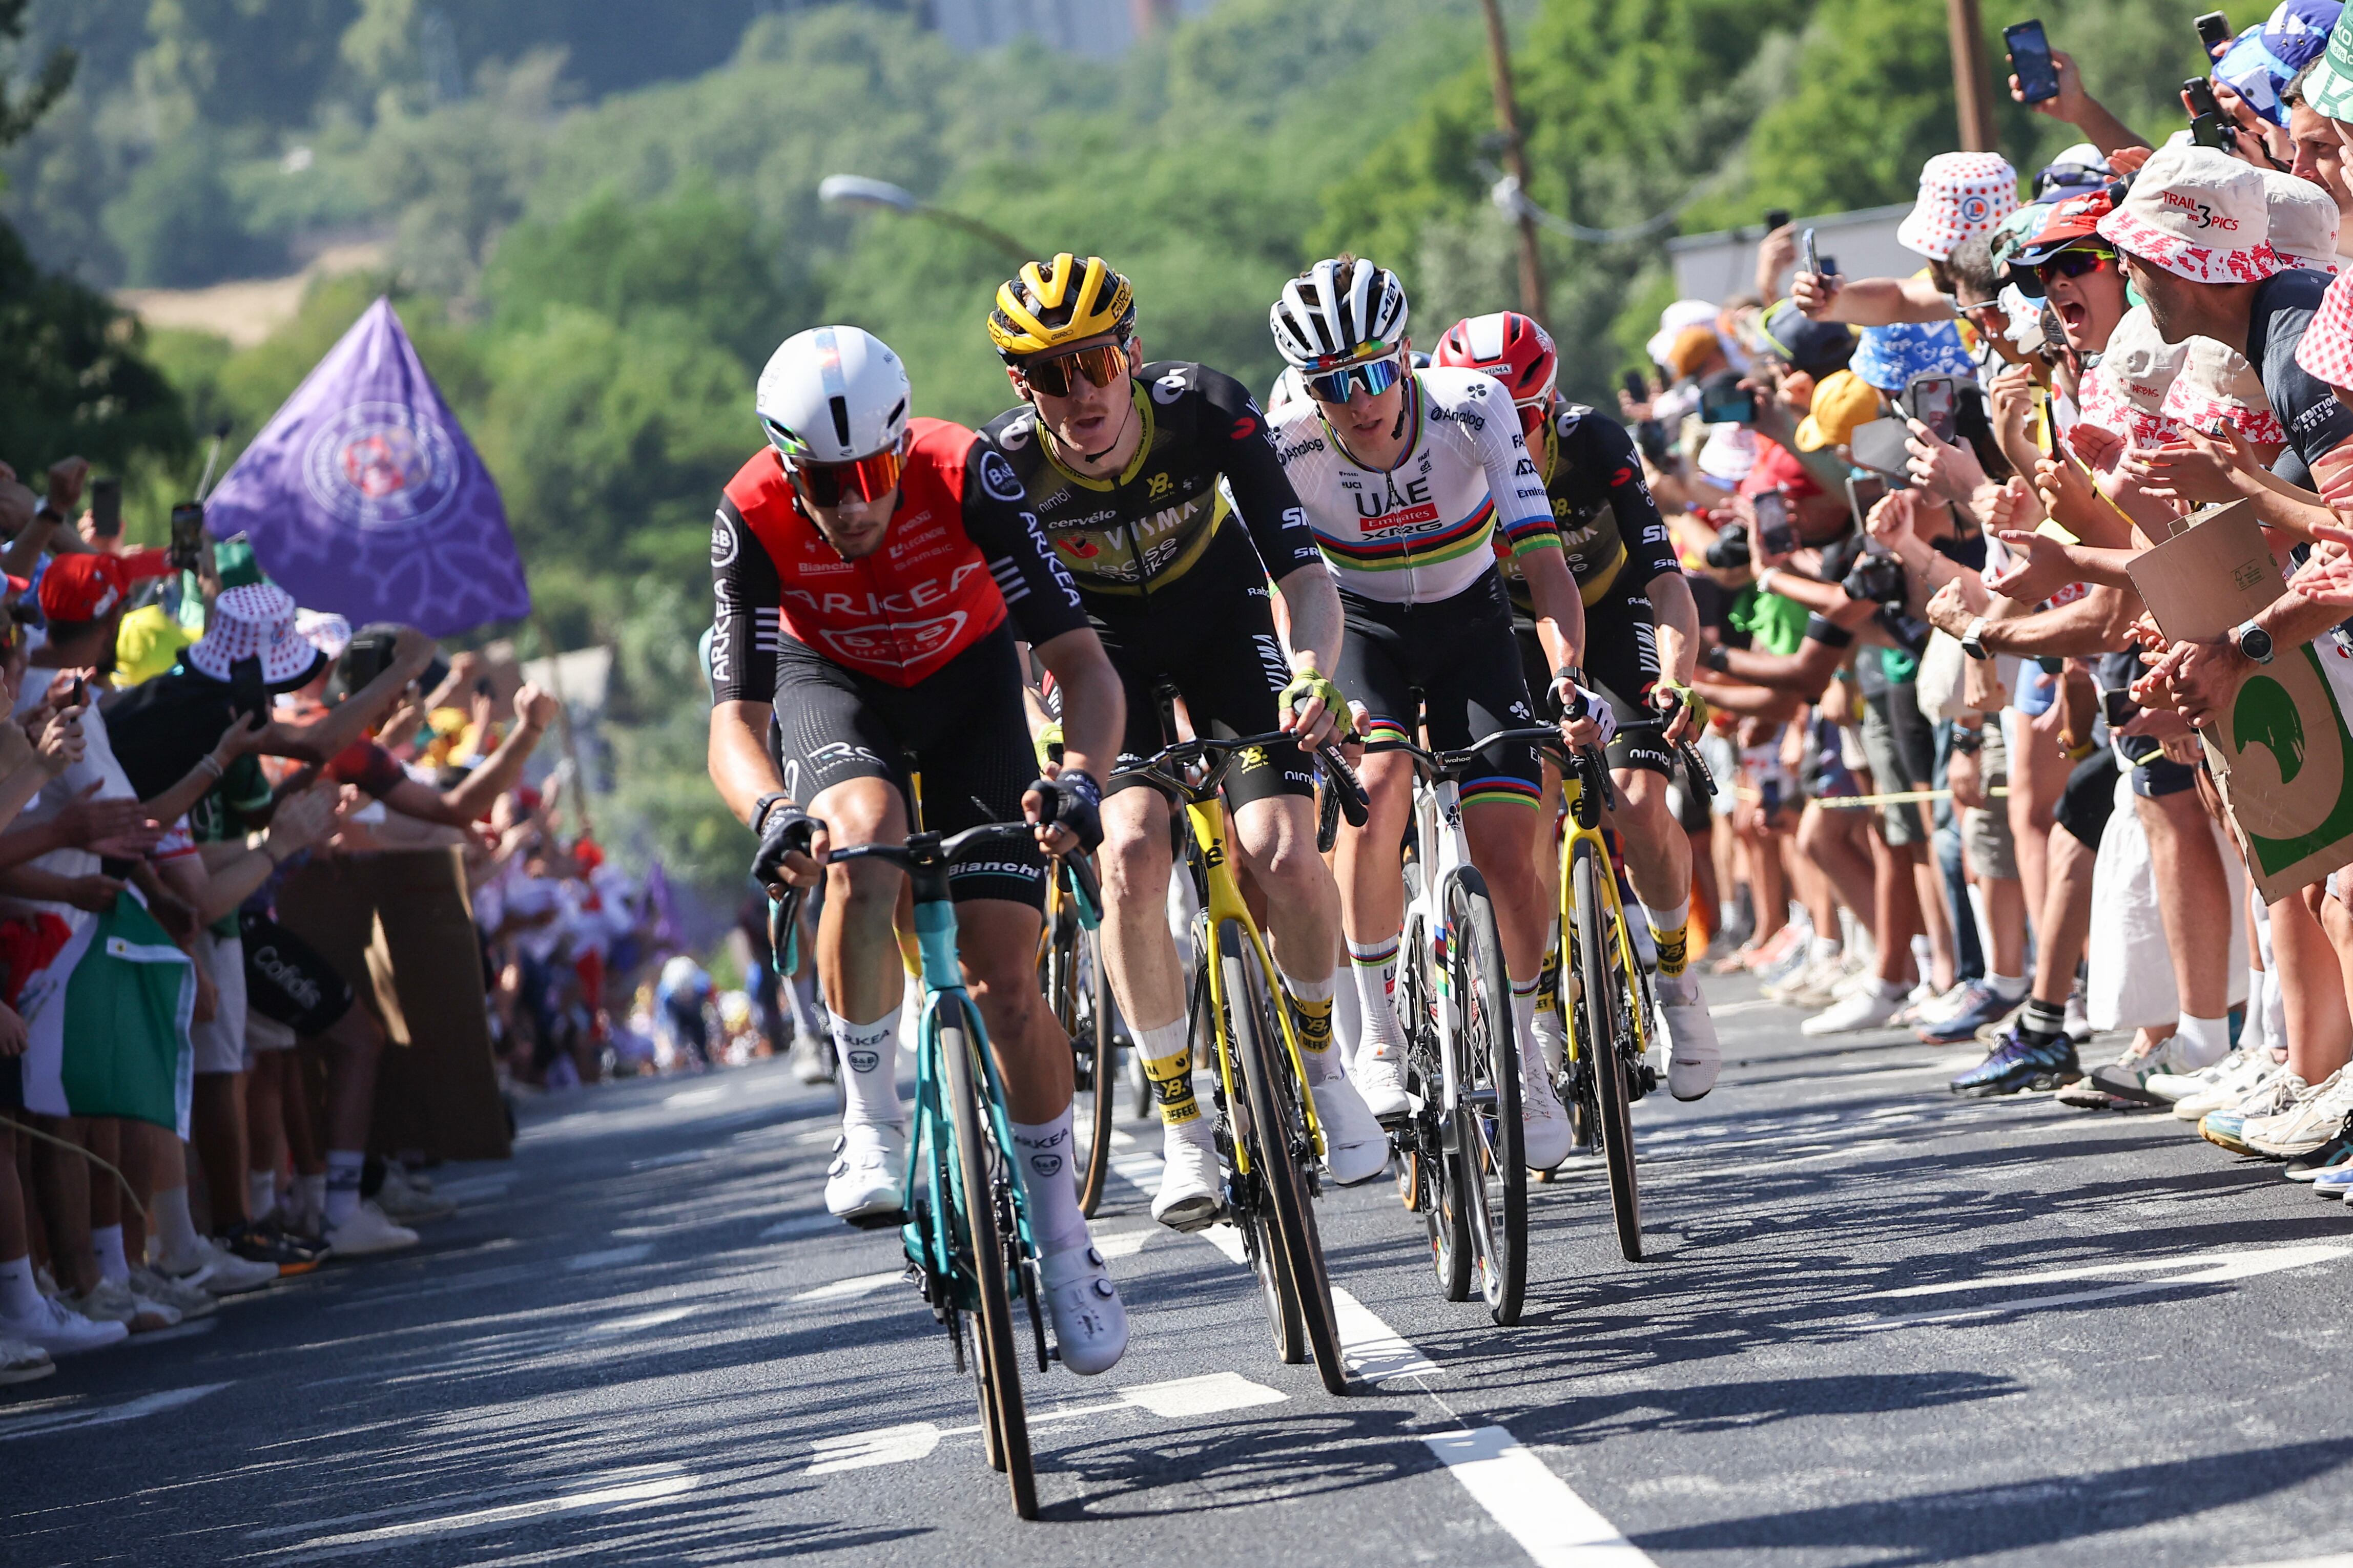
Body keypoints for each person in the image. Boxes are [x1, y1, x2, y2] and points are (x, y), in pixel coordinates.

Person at [705, 324, 1132, 1374]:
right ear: (785, 466)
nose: (853, 503)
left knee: (1009, 988)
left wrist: (1079, 774)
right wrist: (769, 813)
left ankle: (1067, 1242)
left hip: (967, 689)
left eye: (872, 474)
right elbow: (733, 718)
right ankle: (870, 1118)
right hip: (835, 688)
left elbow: (1080, 660)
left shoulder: (965, 471)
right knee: (860, 839)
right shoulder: (751, 512)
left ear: (902, 449)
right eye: (826, 482)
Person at [972, 252, 1386, 1228]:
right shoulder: (1005, 470)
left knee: (1282, 849)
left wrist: (1317, 672)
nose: (1081, 393)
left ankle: (1324, 1064)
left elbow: (1305, 576)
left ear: (1133, 352)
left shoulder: (1208, 409)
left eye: (1098, 362)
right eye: (1050, 374)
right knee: (1128, 850)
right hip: (1097, 652)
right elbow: (1008, 643)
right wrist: (1049, 747)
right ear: (1018, 385)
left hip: (1222, 619)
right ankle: (1182, 1124)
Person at [1265, 257, 1607, 1169]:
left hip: (1470, 625)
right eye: (1333, 386)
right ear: (1308, 388)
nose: (1358, 402)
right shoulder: (1289, 434)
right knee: (1375, 783)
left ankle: (1526, 1047)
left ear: (1406, 355)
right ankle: (1376, 1029)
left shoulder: (1472, 406)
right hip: (1360, 627)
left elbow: (1544, 570)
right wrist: (1310, 680)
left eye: (1374, 373)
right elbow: (1287, 586)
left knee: (1507, 849)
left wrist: (1568, 678)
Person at [1431, 311, 1722, 1099]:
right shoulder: (1444, 461)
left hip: (1613, 609)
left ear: (1550, 406)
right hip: (1511, 635)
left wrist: (1678, 675)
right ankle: (1550, 998)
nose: (1502, 434)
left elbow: (1667, 580)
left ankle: (1674, 980)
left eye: (1522, 419)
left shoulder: (1593, 442)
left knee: (1637, 800)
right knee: (1523, 822)